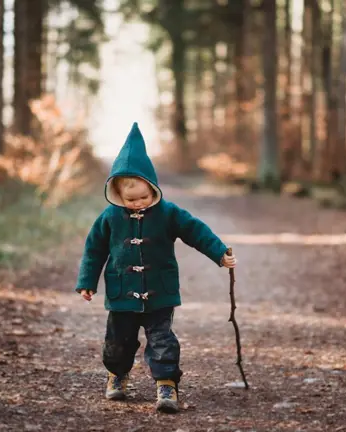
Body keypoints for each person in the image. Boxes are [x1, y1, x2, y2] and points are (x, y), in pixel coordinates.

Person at [75, 122, 237, 413]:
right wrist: (87, 281)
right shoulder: (110, 217)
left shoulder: (168, 213)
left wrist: (219, 253)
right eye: (131, 199)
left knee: (162, 340)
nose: (138, 204)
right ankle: (117, 375)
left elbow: (196, 231)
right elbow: (94, 249)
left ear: (153, 188)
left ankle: (166, 383)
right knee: (118, 343)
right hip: (122, 293)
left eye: (143, 197)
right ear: (118, 195)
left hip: (159, 293)